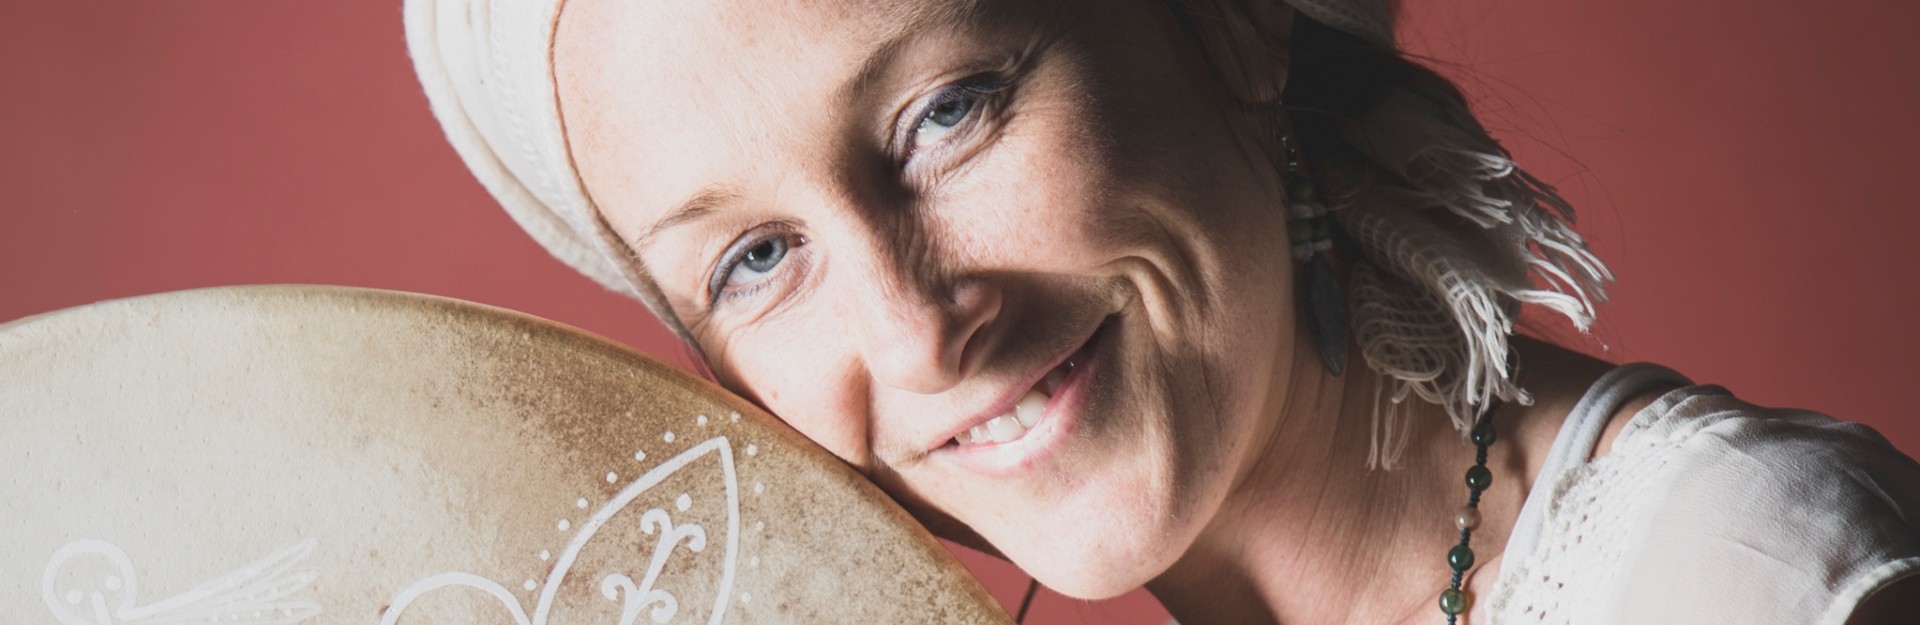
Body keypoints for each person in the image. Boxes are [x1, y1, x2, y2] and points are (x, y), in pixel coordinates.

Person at [403, 0, 1920, 622]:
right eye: (754, 259)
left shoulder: (1749, 580)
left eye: (949, 111)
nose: (923, 332)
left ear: (1230, 26)